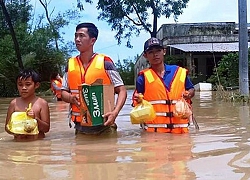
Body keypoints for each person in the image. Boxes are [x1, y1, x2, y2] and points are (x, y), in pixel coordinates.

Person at [61, 22, 127, 135]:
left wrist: (115, 113)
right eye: (76, 36)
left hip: (104, 127)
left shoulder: (106, 63)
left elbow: (122, 91)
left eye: (81, 36)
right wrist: (71, 98)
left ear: (92, 40)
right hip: (80, 128)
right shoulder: (70, 65)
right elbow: (63, 93)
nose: (77, 39)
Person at [132, 37, 195, 134]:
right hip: (154, 134)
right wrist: (138, 100)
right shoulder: (142, 78)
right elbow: (136, 102)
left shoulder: (179, 72)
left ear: (164, 51)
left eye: (158, 50)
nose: (155, 54)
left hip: (181, 132)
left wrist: (189, 94)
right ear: (145, 55)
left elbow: (191, 89)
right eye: (151, 52)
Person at [5, 69, 50, 140]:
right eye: (20, 85)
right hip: (19, 144)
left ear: (36, 85)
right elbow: (7, 128)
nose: (24, 88)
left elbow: (46, 129)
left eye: (28, 84)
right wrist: (15, 129)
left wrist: (35, 119)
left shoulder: (42, 103)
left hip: (37, 144)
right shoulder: (14, 103)